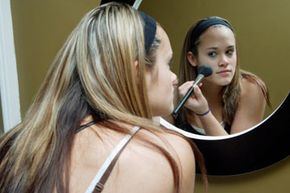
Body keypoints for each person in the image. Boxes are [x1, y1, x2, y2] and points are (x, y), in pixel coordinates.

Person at [0, 2, 206, 193]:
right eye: (167, 63)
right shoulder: (168, 153)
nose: (174, 78)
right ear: (136, 72)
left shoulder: (17, 145)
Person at [176, 16, 270, 136]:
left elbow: (236, 153)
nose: (224, 61)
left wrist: (204, 113)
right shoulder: (175, 93)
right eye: (213, 54)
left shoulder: (251, 89)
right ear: (193, 58)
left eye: (229, 52)